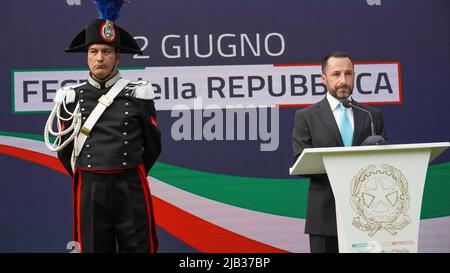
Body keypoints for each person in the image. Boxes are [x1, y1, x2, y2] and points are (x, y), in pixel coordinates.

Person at [44, 3, 161, 253]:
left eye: (107, 51)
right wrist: (90, 173)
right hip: (90, 187)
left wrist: (129, 170)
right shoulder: (70, 97)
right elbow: (65, 152)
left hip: (130, 185)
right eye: (94, 51)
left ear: (117, 56)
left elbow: (152, 147)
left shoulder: (138, 94)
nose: (100, 58)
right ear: (87, 55)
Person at [292, 51, 387, 253]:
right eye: (336, 74)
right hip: (325, 216)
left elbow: (384, 162)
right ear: (324, 78)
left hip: (368, 215)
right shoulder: (306, 116)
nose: (343, 80)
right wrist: (342, 168)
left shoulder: (371, 116)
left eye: (348, 73)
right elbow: (301, 161)